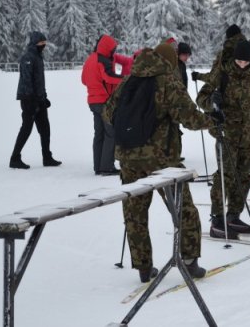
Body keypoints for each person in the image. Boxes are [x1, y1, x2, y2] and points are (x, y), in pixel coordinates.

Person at [103, 43, 218, 283]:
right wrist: (212, 120)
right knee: (183, 210)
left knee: (135, 213)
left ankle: (144, 268)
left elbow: (107, 112)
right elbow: (190, 118)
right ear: (169, 62)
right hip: (162, 160)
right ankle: (189, 261)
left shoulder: (128, 81)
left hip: (128, 158)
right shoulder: (168, 82)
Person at [197, 40, 250, 239]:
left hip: (249, 134)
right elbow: (201, 99)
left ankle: (233, 216)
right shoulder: (222, 75)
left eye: (246, 61)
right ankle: (217, 220)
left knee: (244, 176)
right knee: (225, 176)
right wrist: (212, 102)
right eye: (239, 61)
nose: (242, 64)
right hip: (227, 134)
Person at [10, 31, 61, 169]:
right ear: (34, 43)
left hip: (38, 99)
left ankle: (47, 157)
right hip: (29, 99)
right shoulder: (28, 57)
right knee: (26, 128)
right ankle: (15, 158)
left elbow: (39, 81)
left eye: (44, 43)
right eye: (41, 43)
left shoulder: (38, 57)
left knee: (45, 129)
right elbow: (27, 80)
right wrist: (31, 99)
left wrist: (43, 98)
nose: (43, 45)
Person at [81, 34, 124, 175]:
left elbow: (83, 79)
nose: (114, 52)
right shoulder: (102, 60)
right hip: (104, 101)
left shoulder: (90, 59)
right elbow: (109, 77)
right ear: (107, 48)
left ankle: (98, 166)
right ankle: (107, 167)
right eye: (113, 49)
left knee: (98, 134)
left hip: (93, 101)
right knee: (110, 134)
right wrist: (124, 79)